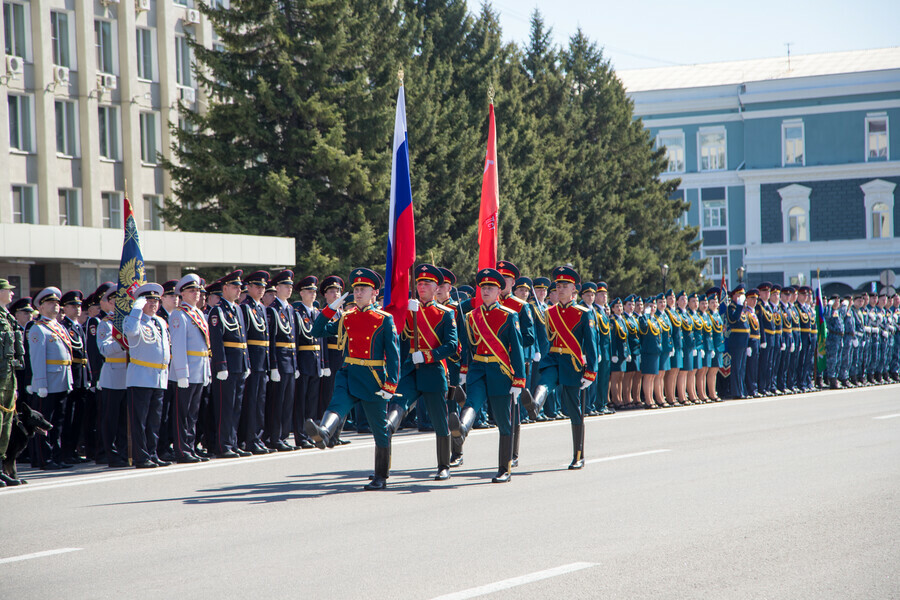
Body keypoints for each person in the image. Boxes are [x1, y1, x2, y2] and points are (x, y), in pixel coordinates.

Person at [305, 267, 400, 490]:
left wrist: (391, 384)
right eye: (356, 289)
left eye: (363, 289)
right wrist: (330, 308)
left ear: (374, 293)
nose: (358, 293)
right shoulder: (346, 317)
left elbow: (394, 355)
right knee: (337, 404)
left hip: (373, 378)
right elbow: (316, 331)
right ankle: (324, 433)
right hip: (348, 374)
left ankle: (381, 475)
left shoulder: (384, 319)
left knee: (380, 429)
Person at [455, 268, 527, 482]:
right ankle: (461, 430)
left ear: (498, 291)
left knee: (503, 421)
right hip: (478, 369)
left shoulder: (509, 316)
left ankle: (504, 468)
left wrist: (519, 379)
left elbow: (517, 348)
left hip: (500, 371)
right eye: (483, 288)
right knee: (471, 403)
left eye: (490, 288)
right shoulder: (471, 316)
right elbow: (467, 346)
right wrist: (464, 370)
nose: (485, 291)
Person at [394, 264, 458, 480]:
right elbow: (401, 338)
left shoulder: (446, 314)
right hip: (411, 370)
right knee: (397, 407)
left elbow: (451, 345)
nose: (422, 286)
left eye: (427, 283)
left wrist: (428, 355)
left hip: (432, 370)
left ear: (436, 288)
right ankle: (381, 467)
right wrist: (405, 315)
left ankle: (443, 465)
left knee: (439, 421)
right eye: (419, 283)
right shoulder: (410, 309)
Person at [123, 283, 172, 468]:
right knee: (140, 421)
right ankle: (141, 457)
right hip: (141, 376)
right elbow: (131, 333)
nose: (153, 303)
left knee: (154, 421)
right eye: (148, 300)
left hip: (159, 376)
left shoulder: (159, 321)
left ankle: (152, 453)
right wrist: (136, 310)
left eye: (156, 300)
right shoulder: (133, 319)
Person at [28, 287, 74, 470]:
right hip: (48, 381)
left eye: (56, 302)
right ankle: (43, 458)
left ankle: (56, 455)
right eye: (49, 302)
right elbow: (37, 359)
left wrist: (68, 380)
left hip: (62, 380)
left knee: (59, 422)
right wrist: (40, 384)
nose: (55, 305)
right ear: (40, 307)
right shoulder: (38, 329)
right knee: (43, 422)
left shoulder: (58, 327)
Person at [208, 270, 251, 458]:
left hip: (239, 364)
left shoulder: (238, 309)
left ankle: (232, 442)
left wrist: (247, 363)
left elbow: (243, 339)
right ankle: (223, 444)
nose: (238, 290)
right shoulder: (218, 310)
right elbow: (217, 340)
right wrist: (221, 365)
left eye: (239, 287)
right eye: (234, 287)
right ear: (224, 288)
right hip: (227, 366)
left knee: (236, 407)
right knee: (225, 407)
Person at [265, 270, 298, 452]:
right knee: (277, 402)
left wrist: (296, 364)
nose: (289, 289)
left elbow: (294, 338)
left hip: (291, 361)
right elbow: (273, 340)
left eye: (290, 286)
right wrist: (274, 366)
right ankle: (275, 437)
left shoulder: (290, 309)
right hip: (280, 361)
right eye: (285, 286)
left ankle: (284, 436)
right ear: (276, 288)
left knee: (287, 403)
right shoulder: (272, 310)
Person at [240, 270, 271, 454]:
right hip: (252, 361)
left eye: (263, 287)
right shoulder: (245, 307)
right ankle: (249, 439)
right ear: (249, 287)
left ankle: (257, 437)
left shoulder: (260, 308)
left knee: (260, 402)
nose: (261, 290)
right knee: (251, 402)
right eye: (257, 286)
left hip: (262, 362)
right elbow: (245, 338)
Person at [292, 275, 324, 450]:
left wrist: (323, 364)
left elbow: (321, 341)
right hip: (304, 362)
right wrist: (296, 365)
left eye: (314, 291)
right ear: (302, 293)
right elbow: (295, 342)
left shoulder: (317, 314)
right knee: (301, 402)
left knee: (312, 401)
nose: (312, 294)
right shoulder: (298, 314)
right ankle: (300, 436)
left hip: (315, 362)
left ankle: (311, 435)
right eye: (309, 291)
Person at [59, 290, 91, 464]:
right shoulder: (65, 327)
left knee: (79, 415)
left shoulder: (79, 326)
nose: (78, 308)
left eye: (79, 305)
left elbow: (86, 353)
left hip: (82, 375)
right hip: (72, 374)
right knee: (68, 417)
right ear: (65, 308)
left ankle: (73, 451)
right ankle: (66, 451)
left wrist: (90, 376)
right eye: (73, 305)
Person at [0, 279, 25, 486]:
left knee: (6, 424)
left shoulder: (7, 317)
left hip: (8, 376)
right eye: (7, 290)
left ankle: (2, 467)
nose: (11, 294)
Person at [725, 285, 750, 399]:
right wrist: (739, 305)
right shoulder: (732, 307)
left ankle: (742, 390)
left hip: (743, 342)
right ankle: (736, 391)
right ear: (733, 296)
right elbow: (733, 319)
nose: (741, 297)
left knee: (742, 367)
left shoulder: (742, 309)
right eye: (739, 294)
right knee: (736, 367)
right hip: (736, 341)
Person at [825, 294, 844, 389]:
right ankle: (832, 380)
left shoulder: (838, 312)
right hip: (832, 338)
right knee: (832, 360)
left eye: (838, 301)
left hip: (839, 338)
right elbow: (827, 317)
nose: (837, 302)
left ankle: (836, 378)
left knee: (838, 360)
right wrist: (829, 305)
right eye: (835, 301)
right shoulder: (830, 311)